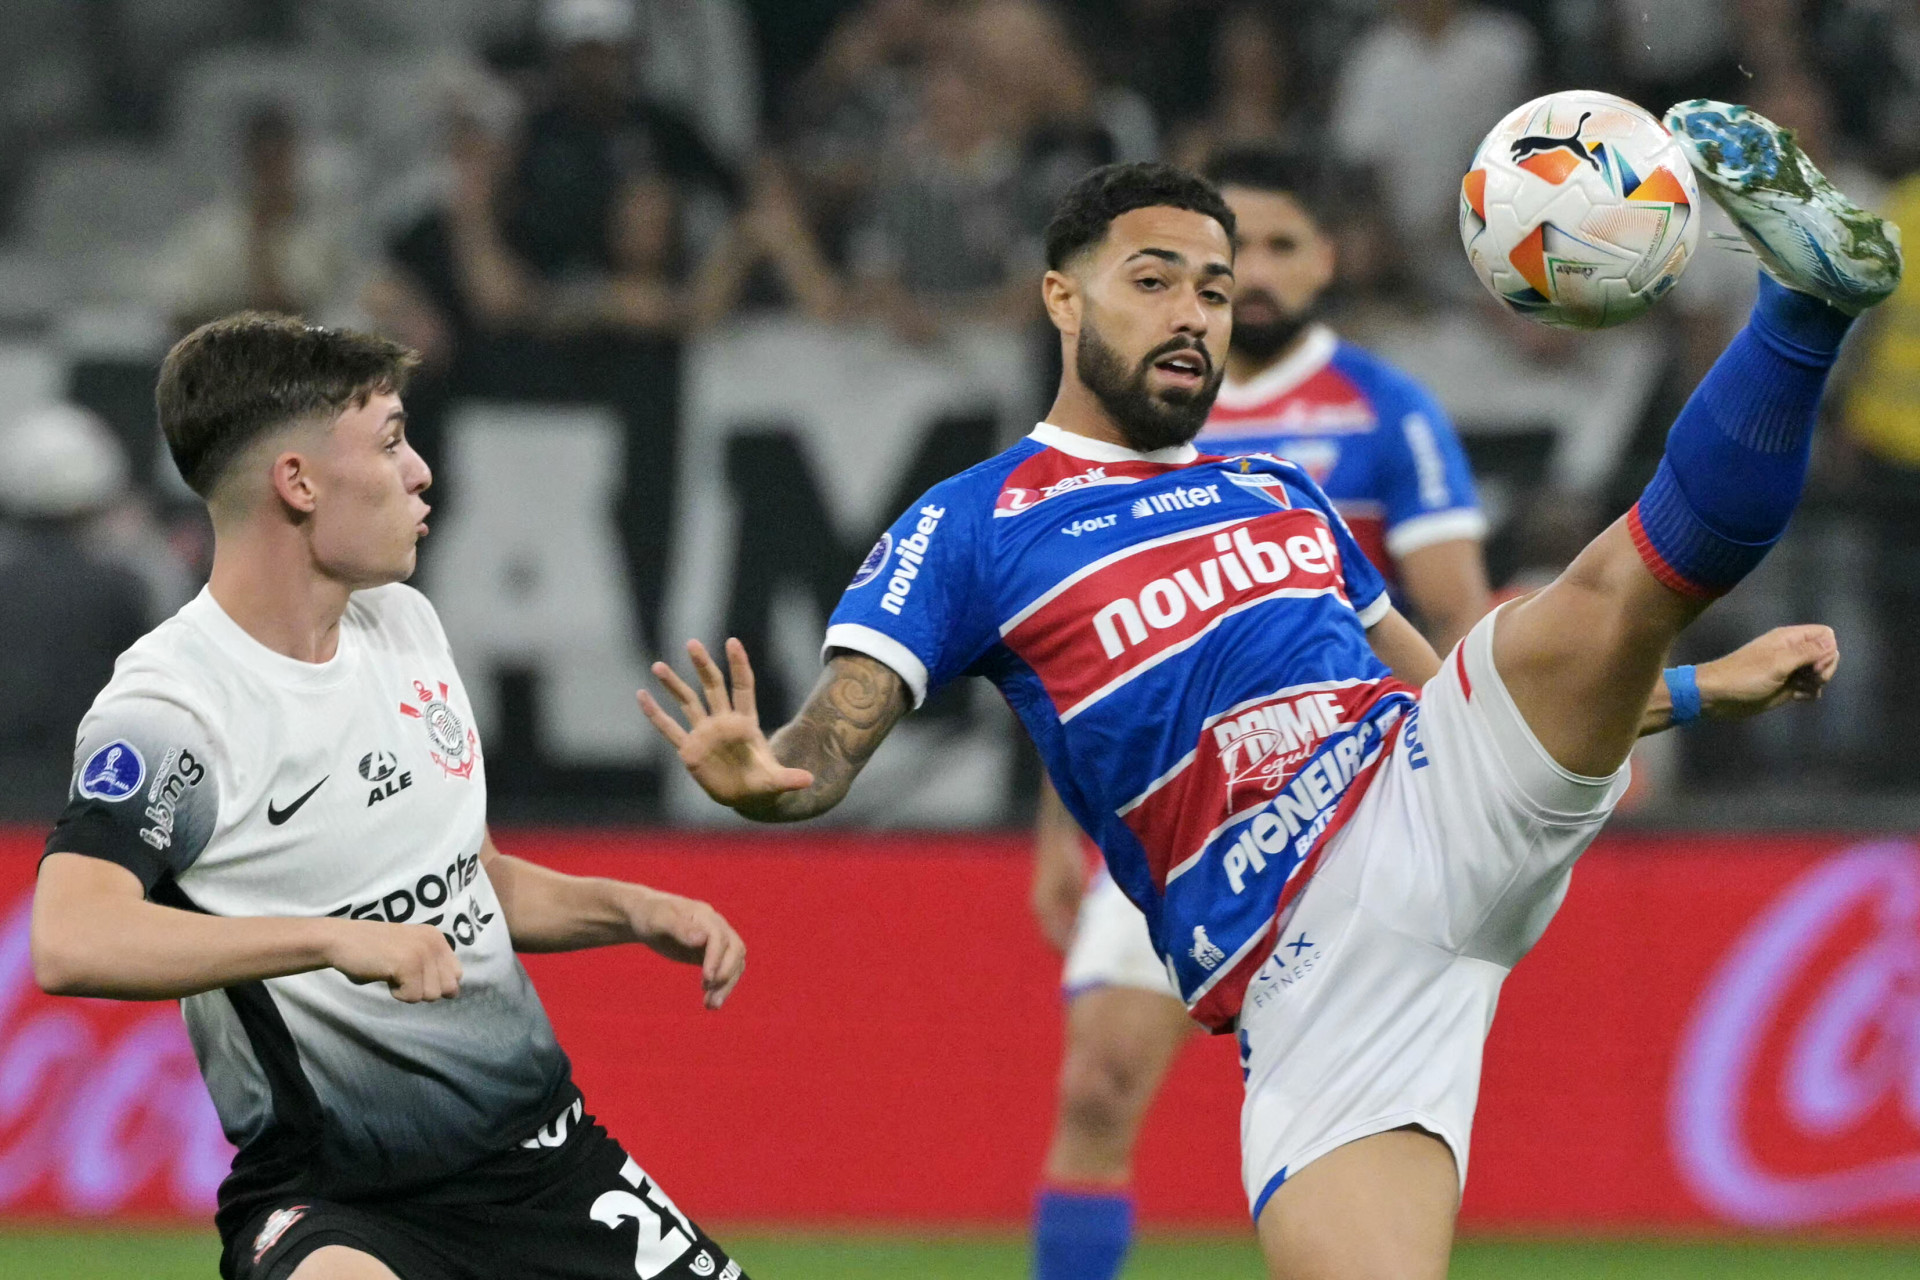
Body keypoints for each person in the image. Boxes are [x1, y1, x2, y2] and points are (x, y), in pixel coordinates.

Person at [640, 109, 1891, 1275]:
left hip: (1420, 791)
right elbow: (829, 738)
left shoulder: (1276, 495)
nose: (1195, 314)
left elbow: (1455, 693)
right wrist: (770, 777)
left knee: (1618, 582)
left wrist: (1689, 687)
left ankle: (1804, 311)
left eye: (1216, 289)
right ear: (1061, 298)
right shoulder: (973, 523)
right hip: (1306, 970)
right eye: (1156, 281)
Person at [1018, 146, 1844, 1280]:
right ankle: (1801, 323)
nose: (1243, 277)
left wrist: (1657, 699)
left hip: (1355, 814)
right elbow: (1072, 663)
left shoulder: (1381, 409)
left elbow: (1456, 648)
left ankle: (1800, 322)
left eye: (1273, 249)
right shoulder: (1129, 425)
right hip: (1184, 829)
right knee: (1100, 1085)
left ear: (1325, 263)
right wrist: (1061, 827)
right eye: (1216, 259)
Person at [31, 314, 752, 1280]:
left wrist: (628, 908)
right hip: (336, 1201)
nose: (421, 473)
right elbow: (74, 939)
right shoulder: (173, 709)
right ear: (297, 483)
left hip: (544, 1161)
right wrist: (325, 937)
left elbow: (466, 878)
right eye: (391, 440)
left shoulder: (404, 626)